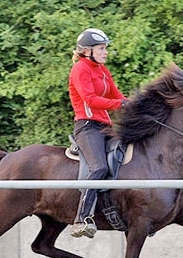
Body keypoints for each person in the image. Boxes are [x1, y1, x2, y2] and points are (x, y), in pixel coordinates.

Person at [68, 28, 127, 239]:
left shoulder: (103, 70)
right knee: (100, 167)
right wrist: (119, 103)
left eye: (105, 48)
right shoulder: (80, 69)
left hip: (105, 127)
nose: (106, 52)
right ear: (87, 51)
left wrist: (132, 104)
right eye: (102, 48)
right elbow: (90, 100)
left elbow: (116, 95)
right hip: (87, 127)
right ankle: (81, 218)